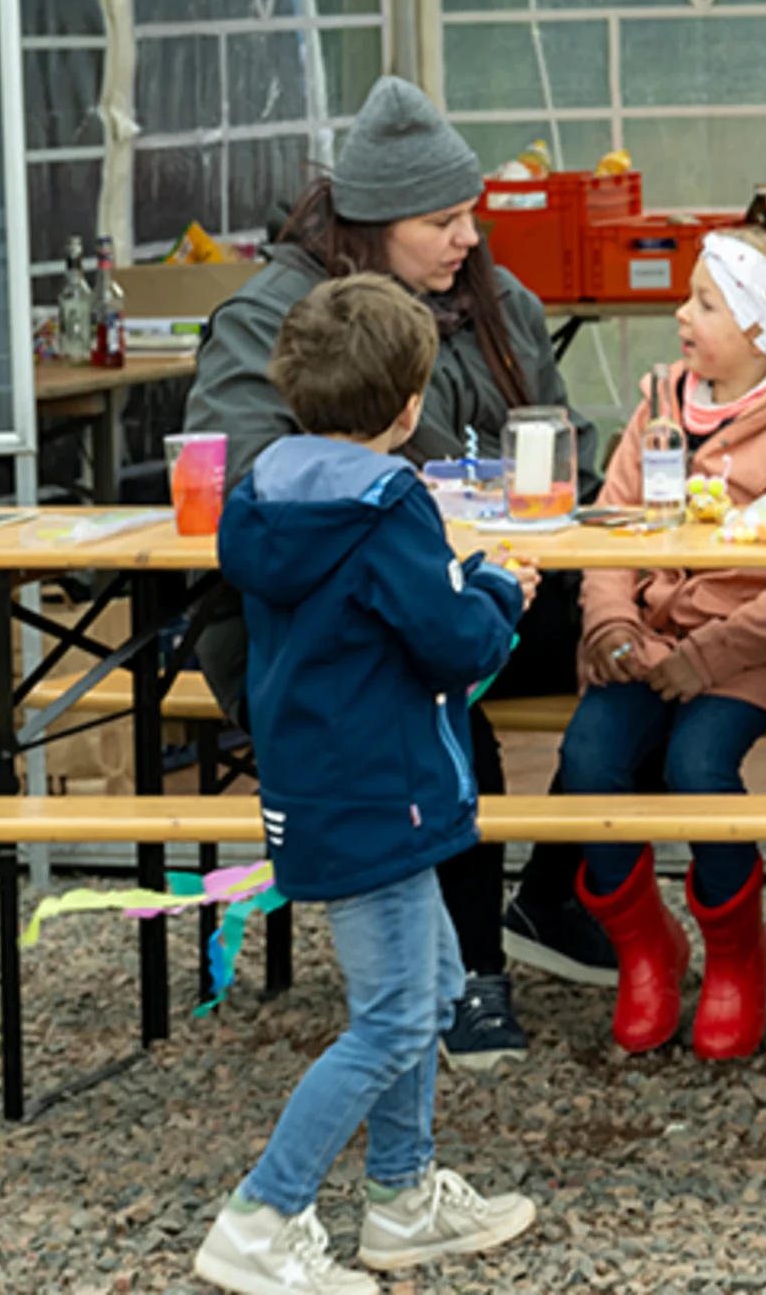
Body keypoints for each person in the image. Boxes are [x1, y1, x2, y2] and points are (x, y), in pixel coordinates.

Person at [184, 74, 604, 1072]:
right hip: (317, 620)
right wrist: (434, 504)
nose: (469, 239)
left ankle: (555, 891)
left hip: (464, 583)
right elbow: (259, 489)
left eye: (473, 217)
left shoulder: (500, 303)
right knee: (445, 699)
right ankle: (466, 976)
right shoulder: (273, 317)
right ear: (372, 225)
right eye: (444, 221)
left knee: (639, 640)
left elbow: (559, 441)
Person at [194, 275, 538, 1295]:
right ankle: (262, 1213)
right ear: (408, 406)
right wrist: (496, 586)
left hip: (329, 787)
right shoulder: (390, 509)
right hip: (387, 794)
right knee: (394, 1015)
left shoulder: (262, 496)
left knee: (425, 993)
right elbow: (454, 646)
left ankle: (401, 1195)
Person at [563, 226, 766, 1061]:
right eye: (688, 297)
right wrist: (613, 628)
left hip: (749, 657)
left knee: (698, 768)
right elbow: (609, 532)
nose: (683, 314)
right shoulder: (659, 401)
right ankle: (645, 949)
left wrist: (703, 659)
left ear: (764, 331)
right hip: (646, 644)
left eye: (707, 304)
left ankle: (736, 955)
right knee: (588, 763)